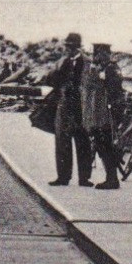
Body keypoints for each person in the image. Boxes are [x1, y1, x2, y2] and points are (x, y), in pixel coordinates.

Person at [44, 33, 93, 187]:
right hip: (64, 106)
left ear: (77, 47)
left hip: (81, 108)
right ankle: (63, 177)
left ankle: (84, 178)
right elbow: (50, 80)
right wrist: (57, 72)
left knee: (83, 143)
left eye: (70, 46)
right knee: (62, 142)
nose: (68, 49)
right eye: (67, 46)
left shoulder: (87, 62)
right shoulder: (62, 62)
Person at [84, 42, 125, 189]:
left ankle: (112, 179)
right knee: (102, 145)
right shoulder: (104, 69)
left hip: (109, 114)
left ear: (105, 54)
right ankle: (111, 177)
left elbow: (113, 92)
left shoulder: (111, 69)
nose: (95, 57)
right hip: (103, 115)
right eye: (95, 54)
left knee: (107, 145)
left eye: (98, 54)